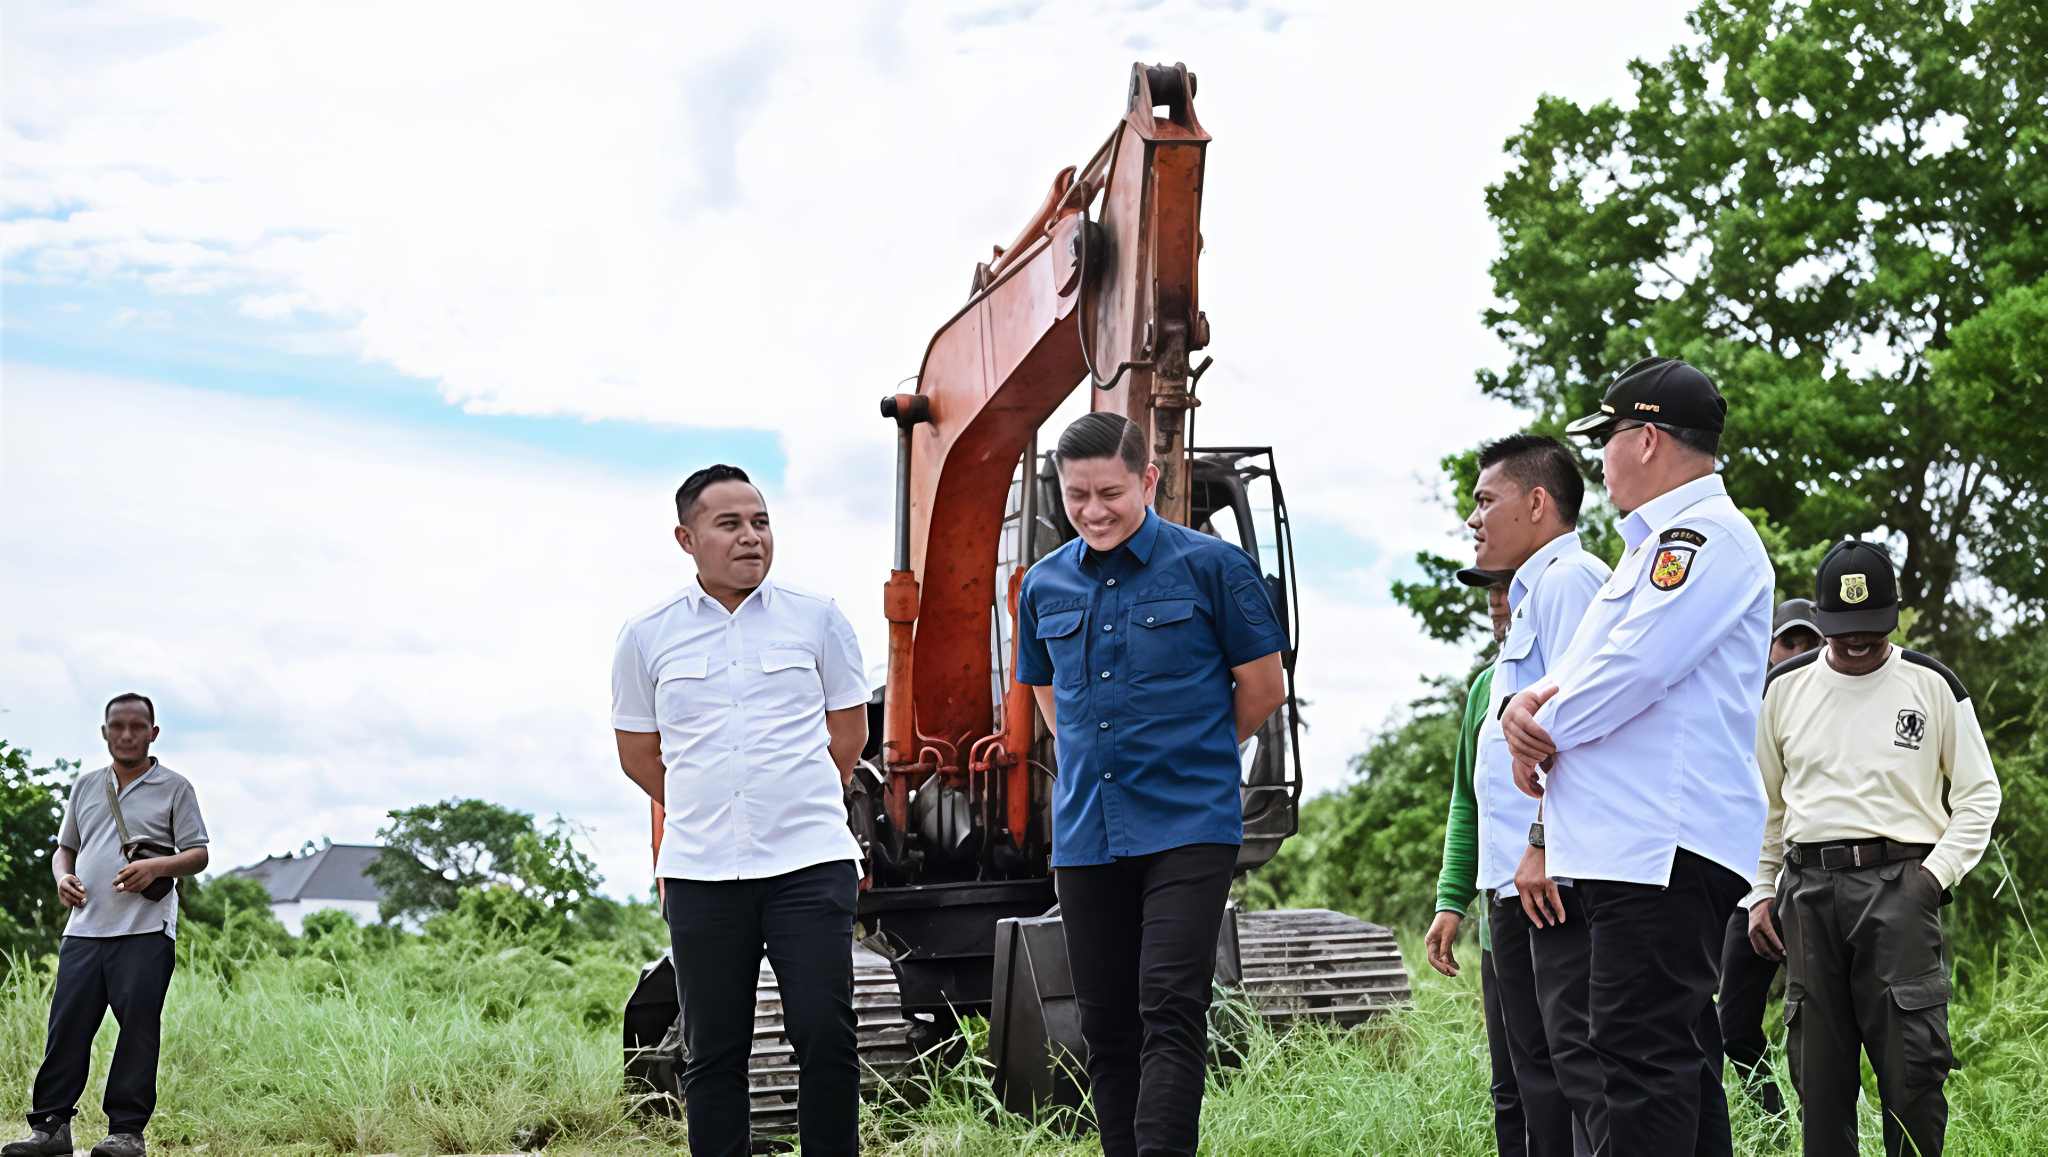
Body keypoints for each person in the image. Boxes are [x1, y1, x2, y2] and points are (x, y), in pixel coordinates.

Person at [1501, 357, 1774, 1156]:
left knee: (1635, 1058)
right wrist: (1529, 703)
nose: (1602, 458)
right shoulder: (1650, 549)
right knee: (1673, 1063)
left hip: (1661, 849)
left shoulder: (1699, 540)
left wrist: (1541, 727)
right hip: (1642, 847)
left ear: (1647, 438)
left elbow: (1635, 670)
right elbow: (1585, 667)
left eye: (1609, 437)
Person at [1015, 412, 1288, 1157]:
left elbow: (1263, 687)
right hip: (1086, 832)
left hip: (1188, 824)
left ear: (1149, 479)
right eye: (1077, 497)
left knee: (1170, 1005)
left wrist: (1193, 748)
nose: (1095, 510)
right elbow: (1052, 704)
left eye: (1110, 492)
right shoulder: (1041, 586)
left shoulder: (1211, 567)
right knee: (1105, 1025)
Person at [611, 464, 870, 1157]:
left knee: (824, 1031)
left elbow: (848, 736)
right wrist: (707, 804)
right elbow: (638, 753)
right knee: (713, 1049)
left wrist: (792, 795)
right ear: (686, 537)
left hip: (808, 863)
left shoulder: (818, 618)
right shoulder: (646, 636)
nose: (751, 537)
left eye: (760, 521)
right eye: (730, 524)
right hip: (701, 871)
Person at [1746, 541, 2002, 1157]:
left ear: (1892, 615)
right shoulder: (1782, 689)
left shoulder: (1932, 685)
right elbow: (1767, 808)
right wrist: (1760, 891)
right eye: (1842, 631)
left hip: (1900, 890)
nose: (1856, 642)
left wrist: (1931, 879)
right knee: (1820, 1079)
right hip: (1807, 896)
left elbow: (1978, 795)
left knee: (1912, 1074)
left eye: (1870, 630)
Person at [1455, 435, 1611, 1157]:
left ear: (1539, 502)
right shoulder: (1531, 595)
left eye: (1487, 500)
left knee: (1577, 1068)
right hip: (1515, 883)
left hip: (1550, 877)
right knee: (1535, 1077)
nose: (1473, 517)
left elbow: (1589, 726)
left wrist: (1543, 840)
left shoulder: (1571, 580)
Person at [6, 694, 211, 1157]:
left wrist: (157, 868)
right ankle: (51, 1129)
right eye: (117, 726)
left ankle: (126, 1133)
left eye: (137, 726)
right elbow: (65, 848)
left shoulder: (176, 788)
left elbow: (198, 854)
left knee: (137, 1031)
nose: (126, 734)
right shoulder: (84, 786)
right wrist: (63, 878)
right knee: (67, 1029)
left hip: (144, 931)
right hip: (82, 929)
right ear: (104, 732)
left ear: (153, 733)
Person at [1424, 566, 1525, 1156]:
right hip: (1499, 916)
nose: (1496, 604)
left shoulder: (1579, 673)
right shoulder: (1485, 688)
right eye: (1490, 592)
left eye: (1508, 588)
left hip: (1567, 909)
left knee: (1566, 1077)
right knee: (1509, 1084)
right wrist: (1451, 899)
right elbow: (1470, 799)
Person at [1717, 598, 1823, 1119]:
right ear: (1768, 649)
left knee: (1825, 1024)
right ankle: (1775, 1123)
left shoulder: (1833, 706)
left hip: (1818, 883)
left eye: (1810, 643)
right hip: (1746, 884)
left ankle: (1826, 1130)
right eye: (1789, 642)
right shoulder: (1741, 705)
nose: (1797, 653)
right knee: (1732, 1025)